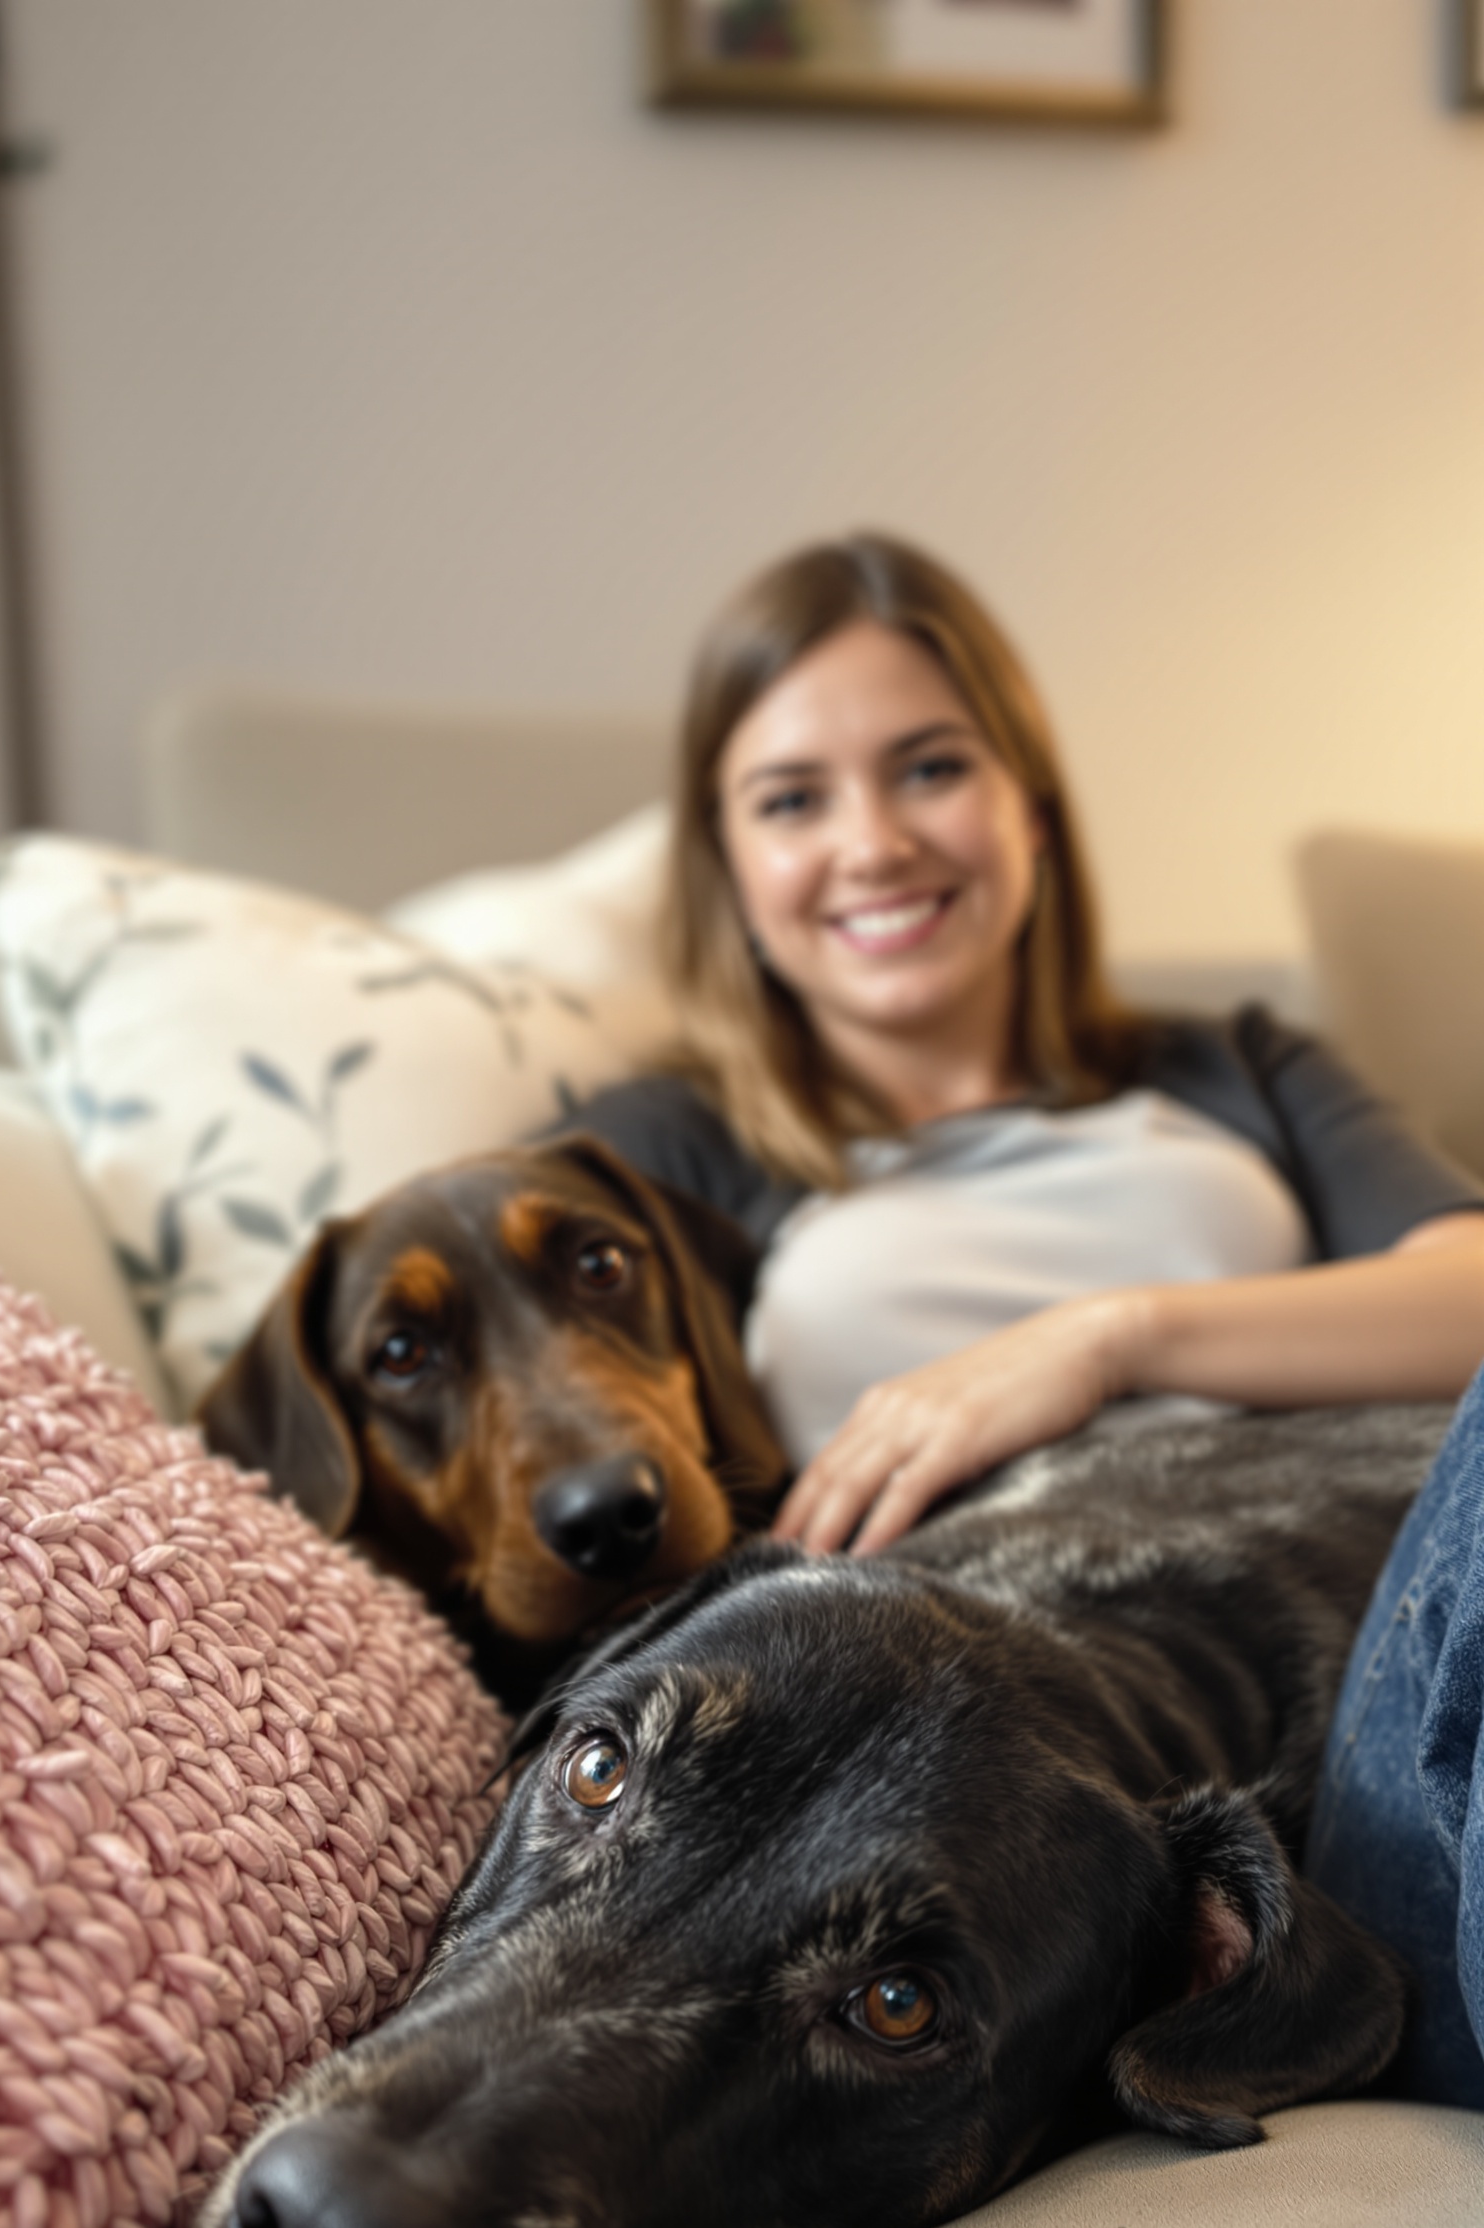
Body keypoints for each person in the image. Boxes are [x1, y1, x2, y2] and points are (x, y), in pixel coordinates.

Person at [571, 531, 1484, 2094]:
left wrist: (1103, 1341)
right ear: (727, 866)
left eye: (929, 768)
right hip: (1259, 1783)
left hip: (1420, 1592)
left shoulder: (1236, 1070)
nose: (870, 842)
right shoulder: (670, 1155)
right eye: (792, 799)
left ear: (1030, 806)